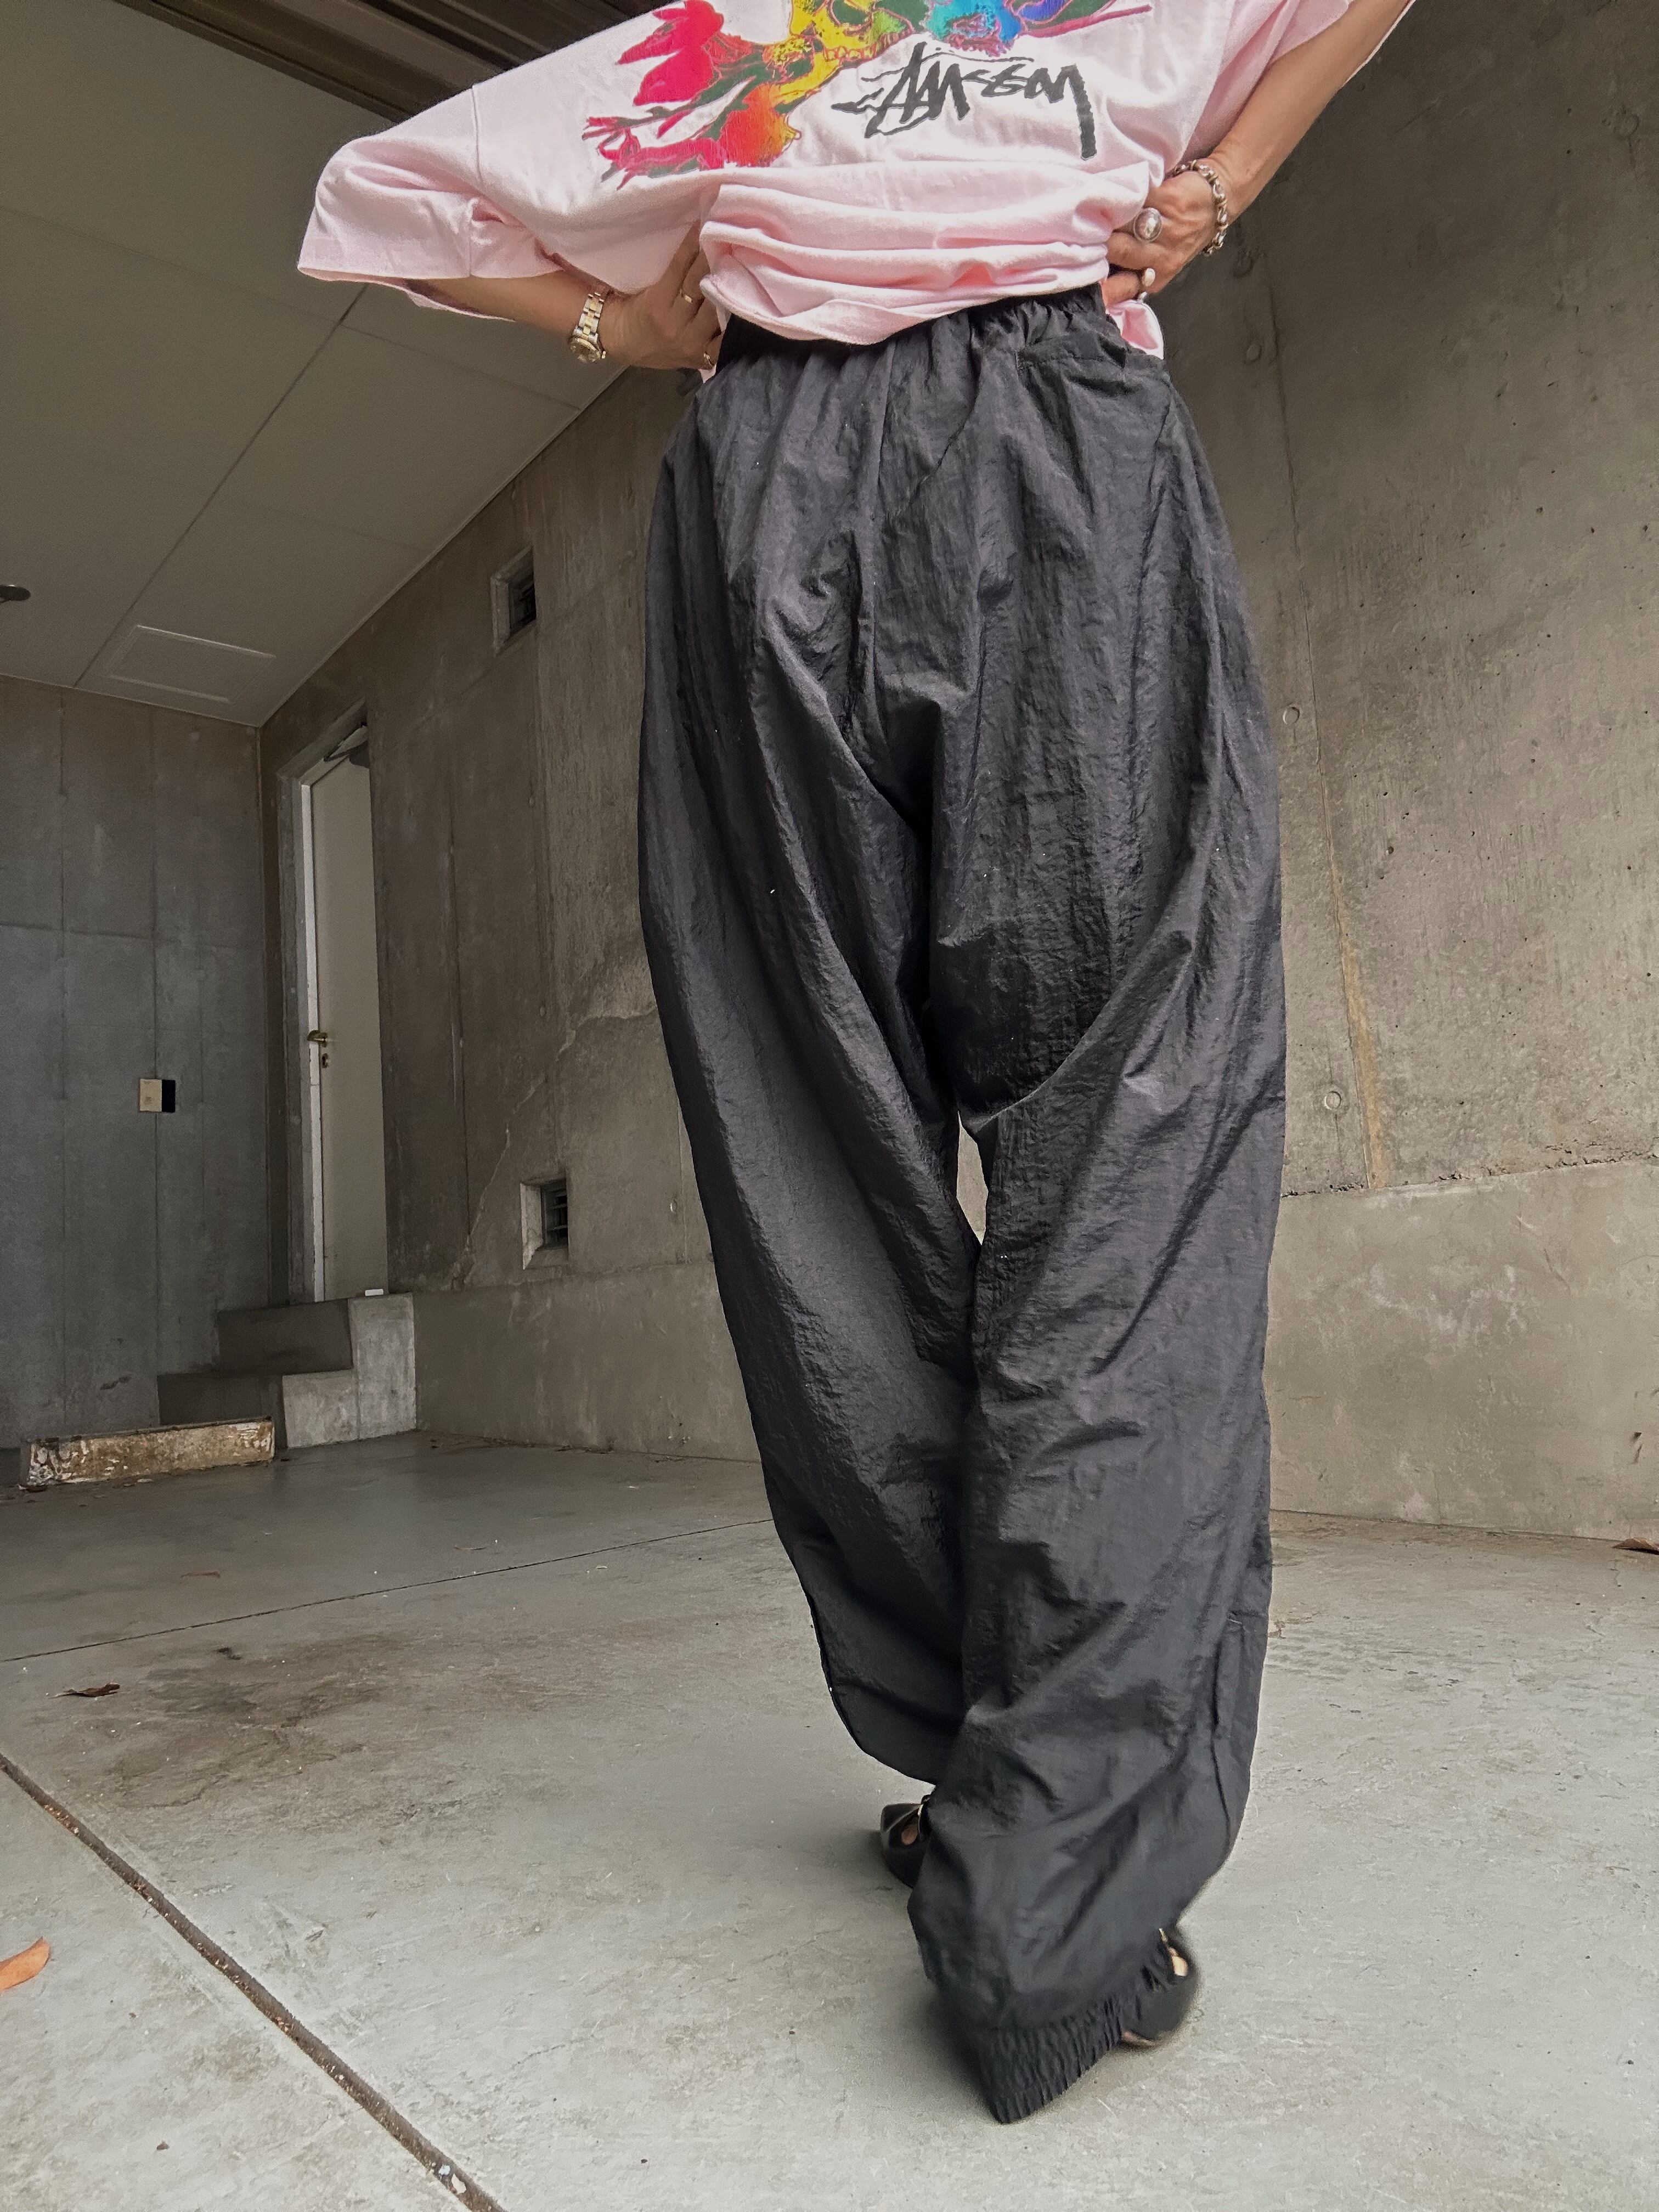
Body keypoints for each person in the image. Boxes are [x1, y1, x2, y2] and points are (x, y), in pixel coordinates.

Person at [301, 0, 1418, 2123]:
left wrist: (627, 329)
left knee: (817, 1147)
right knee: (1137, 1149)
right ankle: (1054, 1892)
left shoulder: (734, 43)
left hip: (772, 493)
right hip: (1063, 468)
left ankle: (975, 1761)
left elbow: (387, 196)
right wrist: (1228, 175)